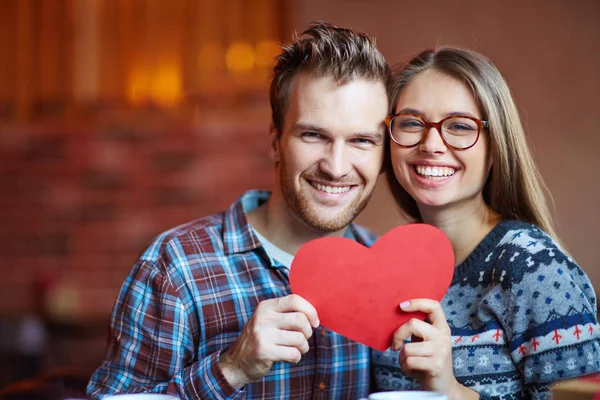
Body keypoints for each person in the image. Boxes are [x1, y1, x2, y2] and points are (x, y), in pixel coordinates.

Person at [87, 22, 391, 399]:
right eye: (313, 135)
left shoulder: (388, 276)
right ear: (276, 143)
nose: (336, 165)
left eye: (361, 140)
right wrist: (232, 367)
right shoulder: (174, 269)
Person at [372, 47, 600, 399]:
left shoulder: (536, 270)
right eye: (412, 123)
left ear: (495, 147)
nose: (431, 144)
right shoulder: (387, 265)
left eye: (460, 126)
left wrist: (450, 389)